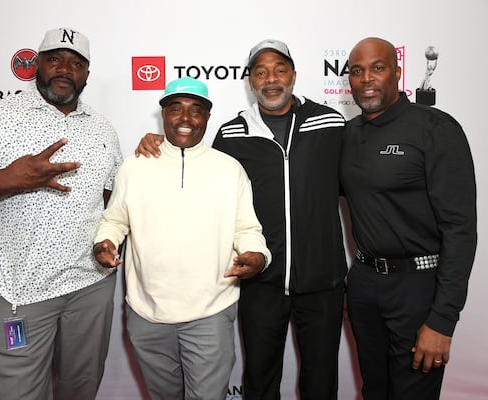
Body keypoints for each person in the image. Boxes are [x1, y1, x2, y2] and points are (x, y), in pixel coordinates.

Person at [136, 40, 347, 400]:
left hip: (322, 279)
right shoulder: (233, 134)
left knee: (321, 380)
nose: (271, 80)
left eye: (280, 70)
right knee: (260, 379)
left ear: (294, 75)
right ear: (250, 81)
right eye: (261, 72)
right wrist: (160, 143)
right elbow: (199, 177)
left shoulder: (330, 122)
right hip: (259, 280)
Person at [0, 27, 123, 400]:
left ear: (87, 75)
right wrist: (11, 178)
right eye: (54, 59)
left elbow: (107, 197)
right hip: (17, 291)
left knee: (80, 390)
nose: (65, 69)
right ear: (36, 66)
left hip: (89, 287)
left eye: (76, 63)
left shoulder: (103, 130)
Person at [93, 77, 271, 400]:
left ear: (207, 117)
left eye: (196, 110)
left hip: (210, 313)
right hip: (147, 314)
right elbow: (114, 220)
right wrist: (105, 241)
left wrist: (256, 255)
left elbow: (247, 230)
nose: (186, 119)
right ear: (163, 115)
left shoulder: (229, 170)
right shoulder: (134, 168)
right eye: (176, 109)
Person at [340, 37, 477, 400]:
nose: (366, 78)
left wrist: (443, 319)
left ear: (398, 73)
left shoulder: (435, 128)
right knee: (375, 391)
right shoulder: (348, 134)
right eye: (357, 71)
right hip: (365, 286)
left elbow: (460, 229)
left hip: (418, 289)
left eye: (378, 68)